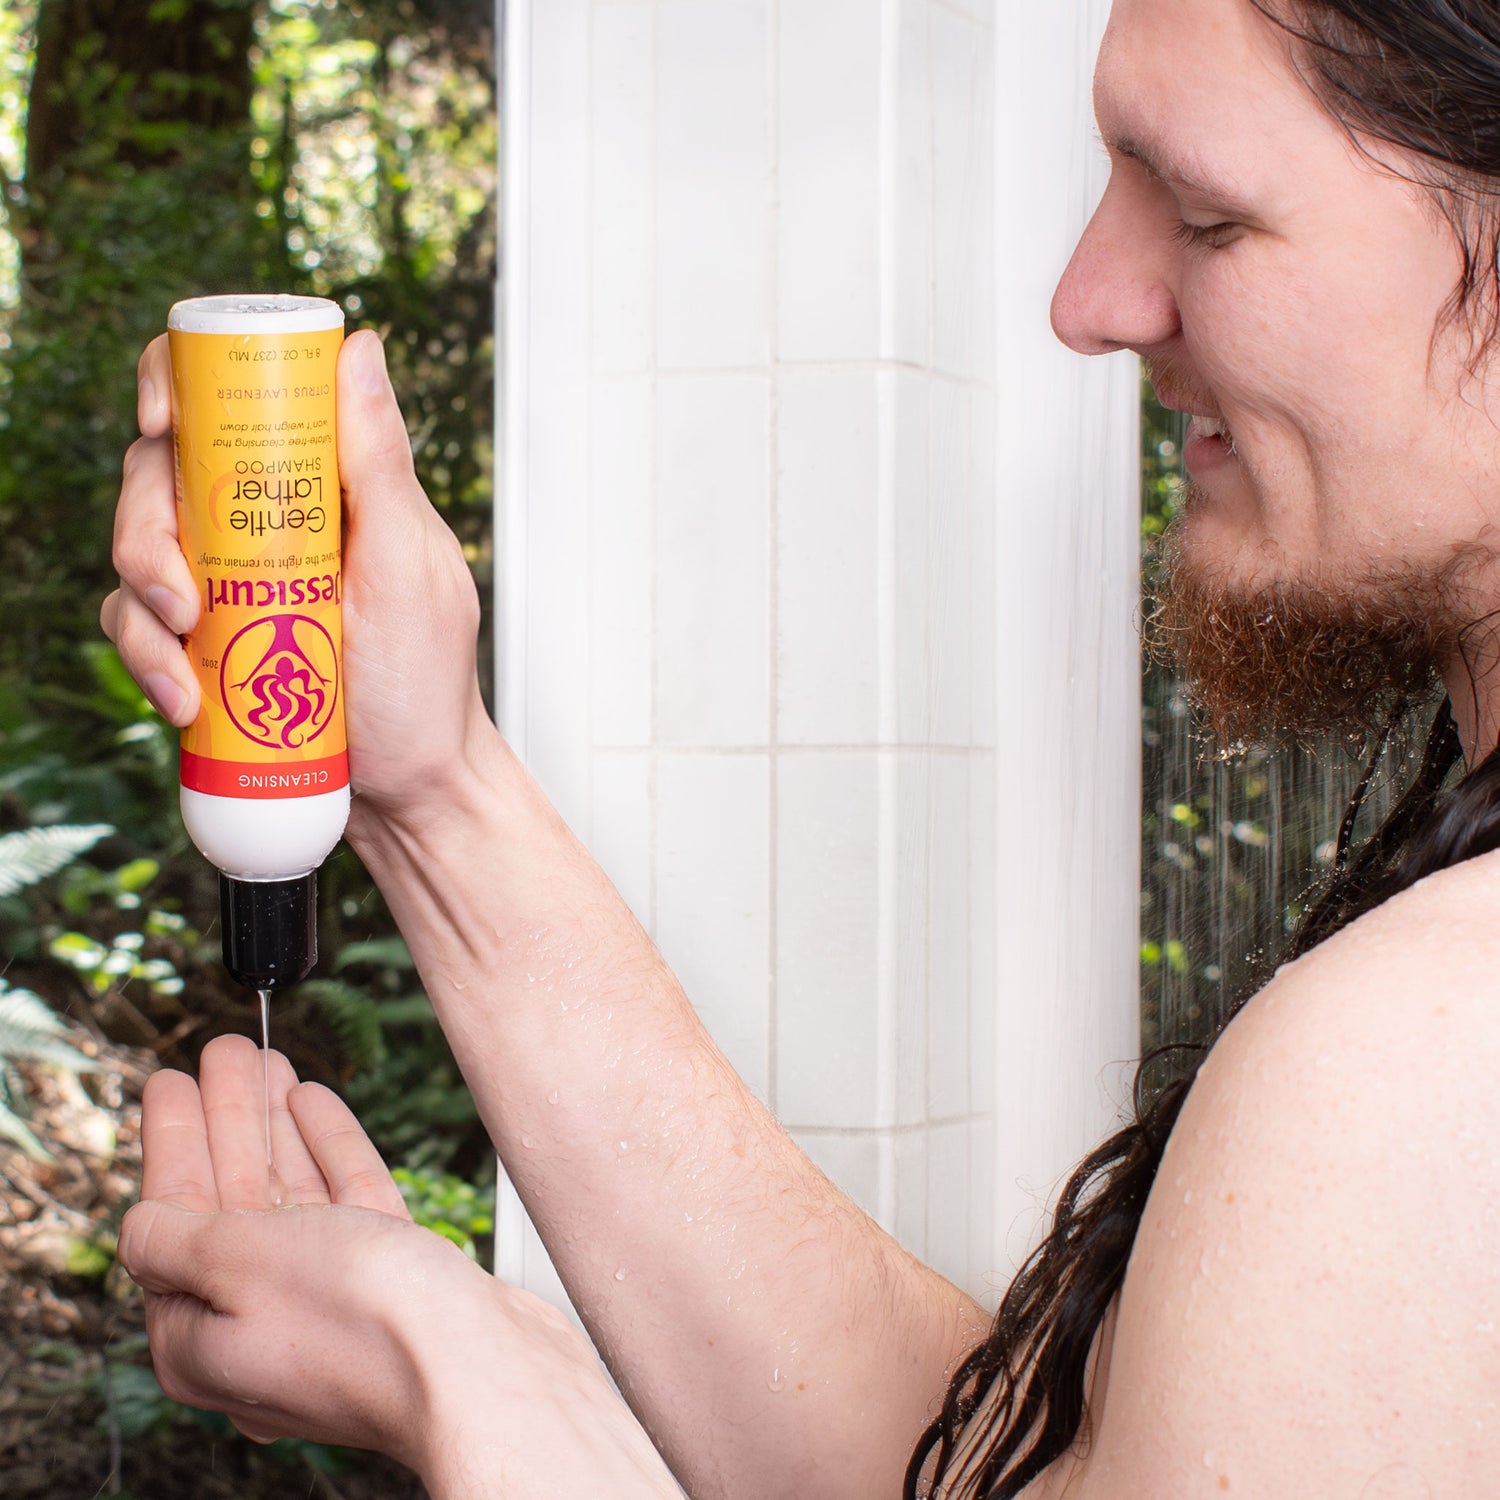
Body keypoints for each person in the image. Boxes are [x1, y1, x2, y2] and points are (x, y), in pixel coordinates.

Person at [102, 0, 1500, 1494]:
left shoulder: (1420, 1060)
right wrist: (427, 788)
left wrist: (475, 1386)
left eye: (1210, 216)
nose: (1089, 298)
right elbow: (999, 1472)